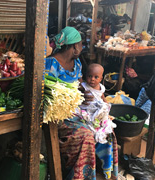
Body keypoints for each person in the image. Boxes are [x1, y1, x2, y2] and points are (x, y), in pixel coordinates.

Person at [45, 26, 118, 180]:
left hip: (78, 111)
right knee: (86, 136)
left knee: (107, 130)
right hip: (58, 115)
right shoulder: (50, 63)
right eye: (80, 44)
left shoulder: (76, 63)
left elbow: (79, 86)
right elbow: (45, 93)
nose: (82, 47)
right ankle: (80, 176)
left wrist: (84, 95)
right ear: (73, 46)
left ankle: (104, 171)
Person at [77, 63, 116, 144]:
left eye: (96, 77)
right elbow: (78, 96)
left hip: (97, 108)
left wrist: (107, 105)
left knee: (104, 115)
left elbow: (102, 97)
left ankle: (102, 128)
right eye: (90, 76)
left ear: (101, 79)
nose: (92, 79)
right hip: (87, 109)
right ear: (85, 76)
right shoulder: (84, 86)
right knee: (87, 119)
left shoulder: (101, 87)